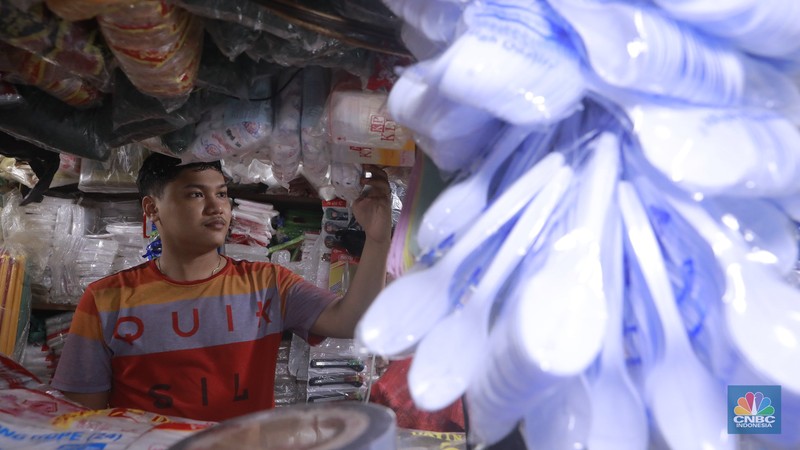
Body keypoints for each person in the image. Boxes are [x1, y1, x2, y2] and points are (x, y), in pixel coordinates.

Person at [50, 153, 392, 422]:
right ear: (152, 208)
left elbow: (354, 321)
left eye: (223, 194)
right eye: (196, 194)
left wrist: (377, 240)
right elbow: (82, 418)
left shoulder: (268, 283)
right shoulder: (105, 299)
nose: (217, 208)